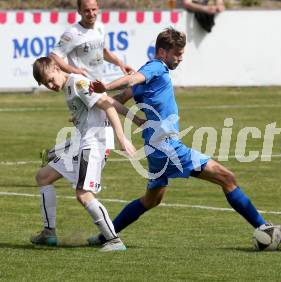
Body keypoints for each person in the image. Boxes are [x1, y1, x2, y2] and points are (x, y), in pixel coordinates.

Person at [87, 27, 267, 245]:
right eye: (178, 54)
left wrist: (93, 110)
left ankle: (104, 236)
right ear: (163, 52)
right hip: (167, 147)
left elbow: (120, 98)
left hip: (155, 148)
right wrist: (104, 85)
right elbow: (132, 80)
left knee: (151, 200)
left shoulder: (149, 72)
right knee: (226, 177)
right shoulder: (156, 67)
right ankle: (264, 228)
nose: (180, 59)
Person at [31, 56, 139, 252]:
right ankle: (49, 232)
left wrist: (122, 137)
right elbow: (106, 102)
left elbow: (107, 104)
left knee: (83, 194)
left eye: (50, 79)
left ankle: (114, 240)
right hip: (83, 142)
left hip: (94, 144)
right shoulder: (69, 87)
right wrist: (137, 119)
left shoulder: (78, 83)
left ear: (56, 68)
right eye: (45, 83)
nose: (50, 85)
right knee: (43, 176)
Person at [41, 0, 135, 166]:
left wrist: (120, 63)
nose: (91, 14)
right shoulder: (72, 33)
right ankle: (80, 177)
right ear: (78, 10)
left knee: (97, 129)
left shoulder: (99, 27)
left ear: (98, 8)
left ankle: (53, 155)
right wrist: (73, 70)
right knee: (102, 130)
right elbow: (54, 56)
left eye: (93, 10)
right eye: (86, 11)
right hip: (83, 87)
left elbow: (103, 51)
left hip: (98, 85)